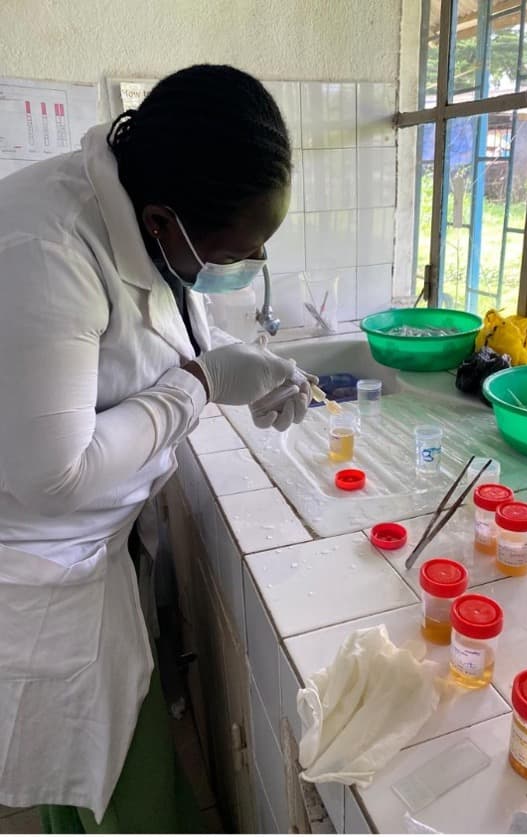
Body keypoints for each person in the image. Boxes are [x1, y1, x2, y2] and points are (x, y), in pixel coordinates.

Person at [0, 64, 313, 833]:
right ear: (165, 220)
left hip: (96, 546)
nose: (250, 266)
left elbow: (156, 329)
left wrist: (247, 366)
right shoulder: (44, 244)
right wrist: (202, 383)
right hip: (39, 567)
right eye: (239, 250)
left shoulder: (146, 213)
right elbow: (54, 476)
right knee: (93, 777)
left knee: (123, 751)